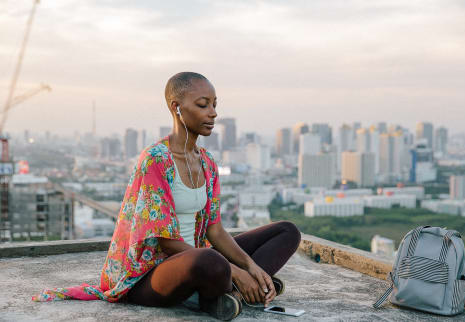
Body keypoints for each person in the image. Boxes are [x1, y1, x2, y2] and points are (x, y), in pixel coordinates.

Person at [33, 72, 301, 321]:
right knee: (212, 261)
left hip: (199, 259)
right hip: (153, 275)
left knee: (287, 231)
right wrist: (237, 271)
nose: (213, 113)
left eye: (214, 105)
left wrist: (251, 267)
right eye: (203, 104)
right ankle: (231, 291)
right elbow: (167, 242)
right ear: (176, 107)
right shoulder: (155, 160)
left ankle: (238, 292)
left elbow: (215, 230)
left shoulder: (207, 162)